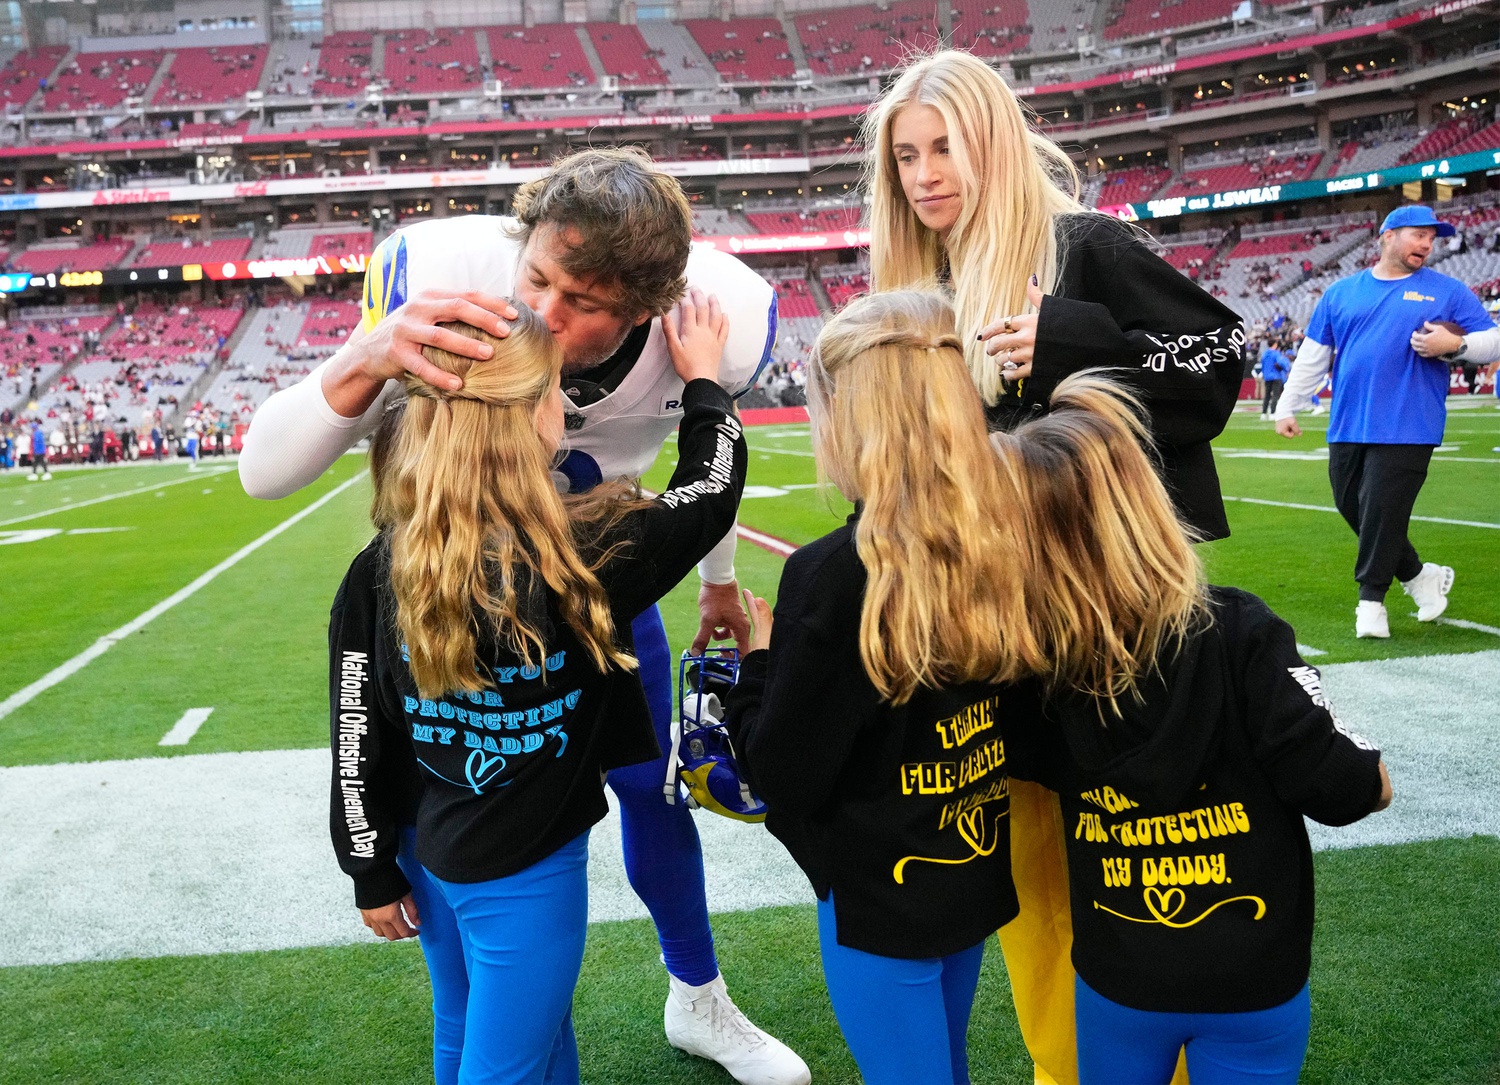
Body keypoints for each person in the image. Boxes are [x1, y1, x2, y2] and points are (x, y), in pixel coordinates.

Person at [244, 148, 808, 1085]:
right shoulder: (439, 274)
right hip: (501, 583)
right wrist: (370, 350)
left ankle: (696, 994)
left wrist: (717, 582)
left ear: (645, 307)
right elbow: (264, 472)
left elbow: (351, 733)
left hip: (580, 591)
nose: (543, 312)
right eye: (537, 276)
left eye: (581, 301)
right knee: (462, 828)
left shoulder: (721, 315)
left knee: (648, 790)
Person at [863, 49, 1244, 1083]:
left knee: (1148, 888)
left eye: (945, 147)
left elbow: (1219, 359)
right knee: (1035, 900)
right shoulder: (920, 289)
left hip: (1123, 637)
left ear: (995, 143)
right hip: (999, 640)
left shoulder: (1086, 248)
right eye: (906, 157)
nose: (925, 175)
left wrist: (1075, 342)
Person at [330, 298, 747, 1085]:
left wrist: (369, 865)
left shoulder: (380, 562)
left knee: (476, 1028)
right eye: (557, 390)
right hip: (528, 871)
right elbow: (710, 490)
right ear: (531, 419)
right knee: (508, 1064)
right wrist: (705, 384)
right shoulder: (583, 556)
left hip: (427, 847)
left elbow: (355, 726)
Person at [991, 372, 1392, 1085]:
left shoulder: (1035, 667)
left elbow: (1017, 755)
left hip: (1121, 971)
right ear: (1148, 503)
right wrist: (1361, 756)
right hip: (1253, 975)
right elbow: (1346, 788)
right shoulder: (1239, 629)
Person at [722, 291, 1043, 1085]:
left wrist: (756, 668)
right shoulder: (1004, 533)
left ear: (848, 414)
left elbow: (785, 773)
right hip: (970, 856)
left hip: (878, 891)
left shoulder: (834, 575)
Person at [1275, 205, 1500, 639]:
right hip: (1348, 420)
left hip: (1410, 421)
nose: (1427, 244)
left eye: (1431, 238)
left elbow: (1493, 340)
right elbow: (1313, 355)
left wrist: (1455, 345)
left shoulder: (1448, 290)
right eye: (1418, 235)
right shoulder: (1340, 293)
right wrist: (1288, 405)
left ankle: (1371, 602)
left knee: (1382, 507)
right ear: (1388, 235)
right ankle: (1418, 576)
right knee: (1353, 506)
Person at [1259, 338, 1290, 420]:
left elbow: (1262, 365)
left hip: (1267, 376)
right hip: (1276, 376)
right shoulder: (1276, 353)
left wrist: (1264, 374)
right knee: (1275, 395)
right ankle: (1272, 412)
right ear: (1275, 344)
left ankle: (1263, 413)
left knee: (1267, 395)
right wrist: (1286, 370)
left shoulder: (1264, 353)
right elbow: (1281, 362)